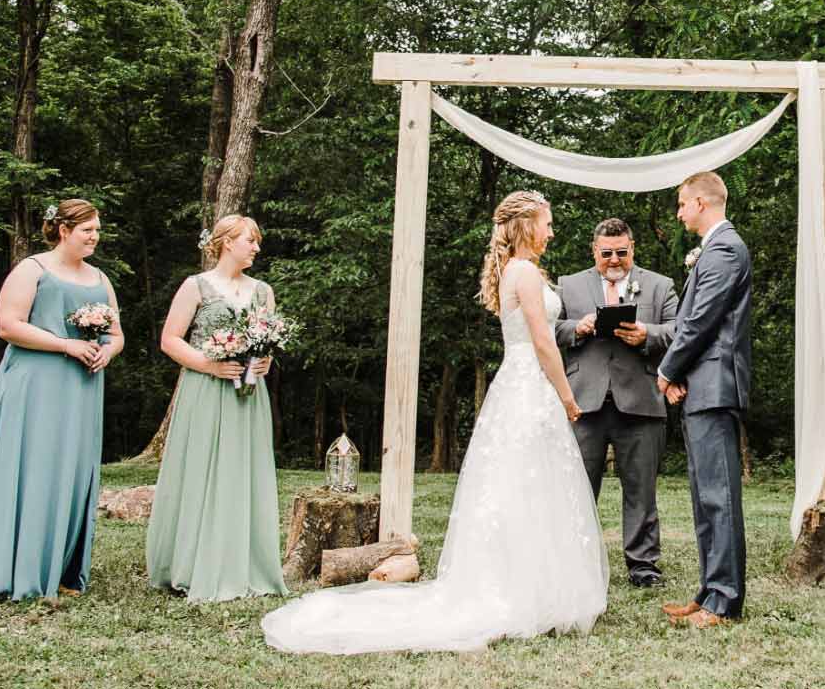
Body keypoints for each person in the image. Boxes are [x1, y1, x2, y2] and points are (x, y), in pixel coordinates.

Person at [262, 190, 607, 653]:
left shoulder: (521, 270)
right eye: (546, 223)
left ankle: (532, 583)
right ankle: (522, 590)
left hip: (521, 386)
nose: (551, 231)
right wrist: (567, 395)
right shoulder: (523, 272)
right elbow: (544, 342)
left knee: (525, 483)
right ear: (525, 225)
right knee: (527, 482)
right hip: (530, 384)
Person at [0, 198, 124, 602]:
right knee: (31, 466)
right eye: (88, 230)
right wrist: (65, 345)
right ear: (63, 230)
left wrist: (107, 350)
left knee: (70, 469)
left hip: (82, 388)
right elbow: (6, 325)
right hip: (35, 383)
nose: (95, 237)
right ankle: (12, 569)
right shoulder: (33, 269)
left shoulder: (99, 278)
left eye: (98, 230)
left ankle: (62, 569)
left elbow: (117, 334)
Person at [146, 215, 286, 601]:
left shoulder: (262, 291)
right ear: (227, 243)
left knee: (244, 472)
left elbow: (267, 343)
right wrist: (209, 364)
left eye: (257, 241)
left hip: (248, 394)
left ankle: (245, 564)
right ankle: (192, 562)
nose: (256, 248)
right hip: (206, 389)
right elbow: (170, 340)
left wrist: (264, 363)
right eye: (250, 241)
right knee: (203, 471)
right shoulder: (196, 286)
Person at [555, 217, 678, 588]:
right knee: (576, 489)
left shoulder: (660, 286)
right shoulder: (568, 285)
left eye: (621, 253)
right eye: (606, 253)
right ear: (594, 251)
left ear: (632, 249)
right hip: (583, 403)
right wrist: (575, 328)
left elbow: (681, 330)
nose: (613, 260)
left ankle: (643, 567)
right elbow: (546, 329)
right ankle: (575, 564)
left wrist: (647, 335)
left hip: (640, 402)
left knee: (641, 491)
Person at [656, 171, 751, 628]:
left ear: (699, 201)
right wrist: (678, 373)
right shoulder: (713, 250)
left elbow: (700, 321)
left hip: (715, 386)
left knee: (720, 496)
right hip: (701, 383)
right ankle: (709, 590)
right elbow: (692, 322)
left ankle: (726, 600)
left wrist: (667, 369)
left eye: (680, 204)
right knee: (703, 497)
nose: (678, 213)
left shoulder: (726, 248)